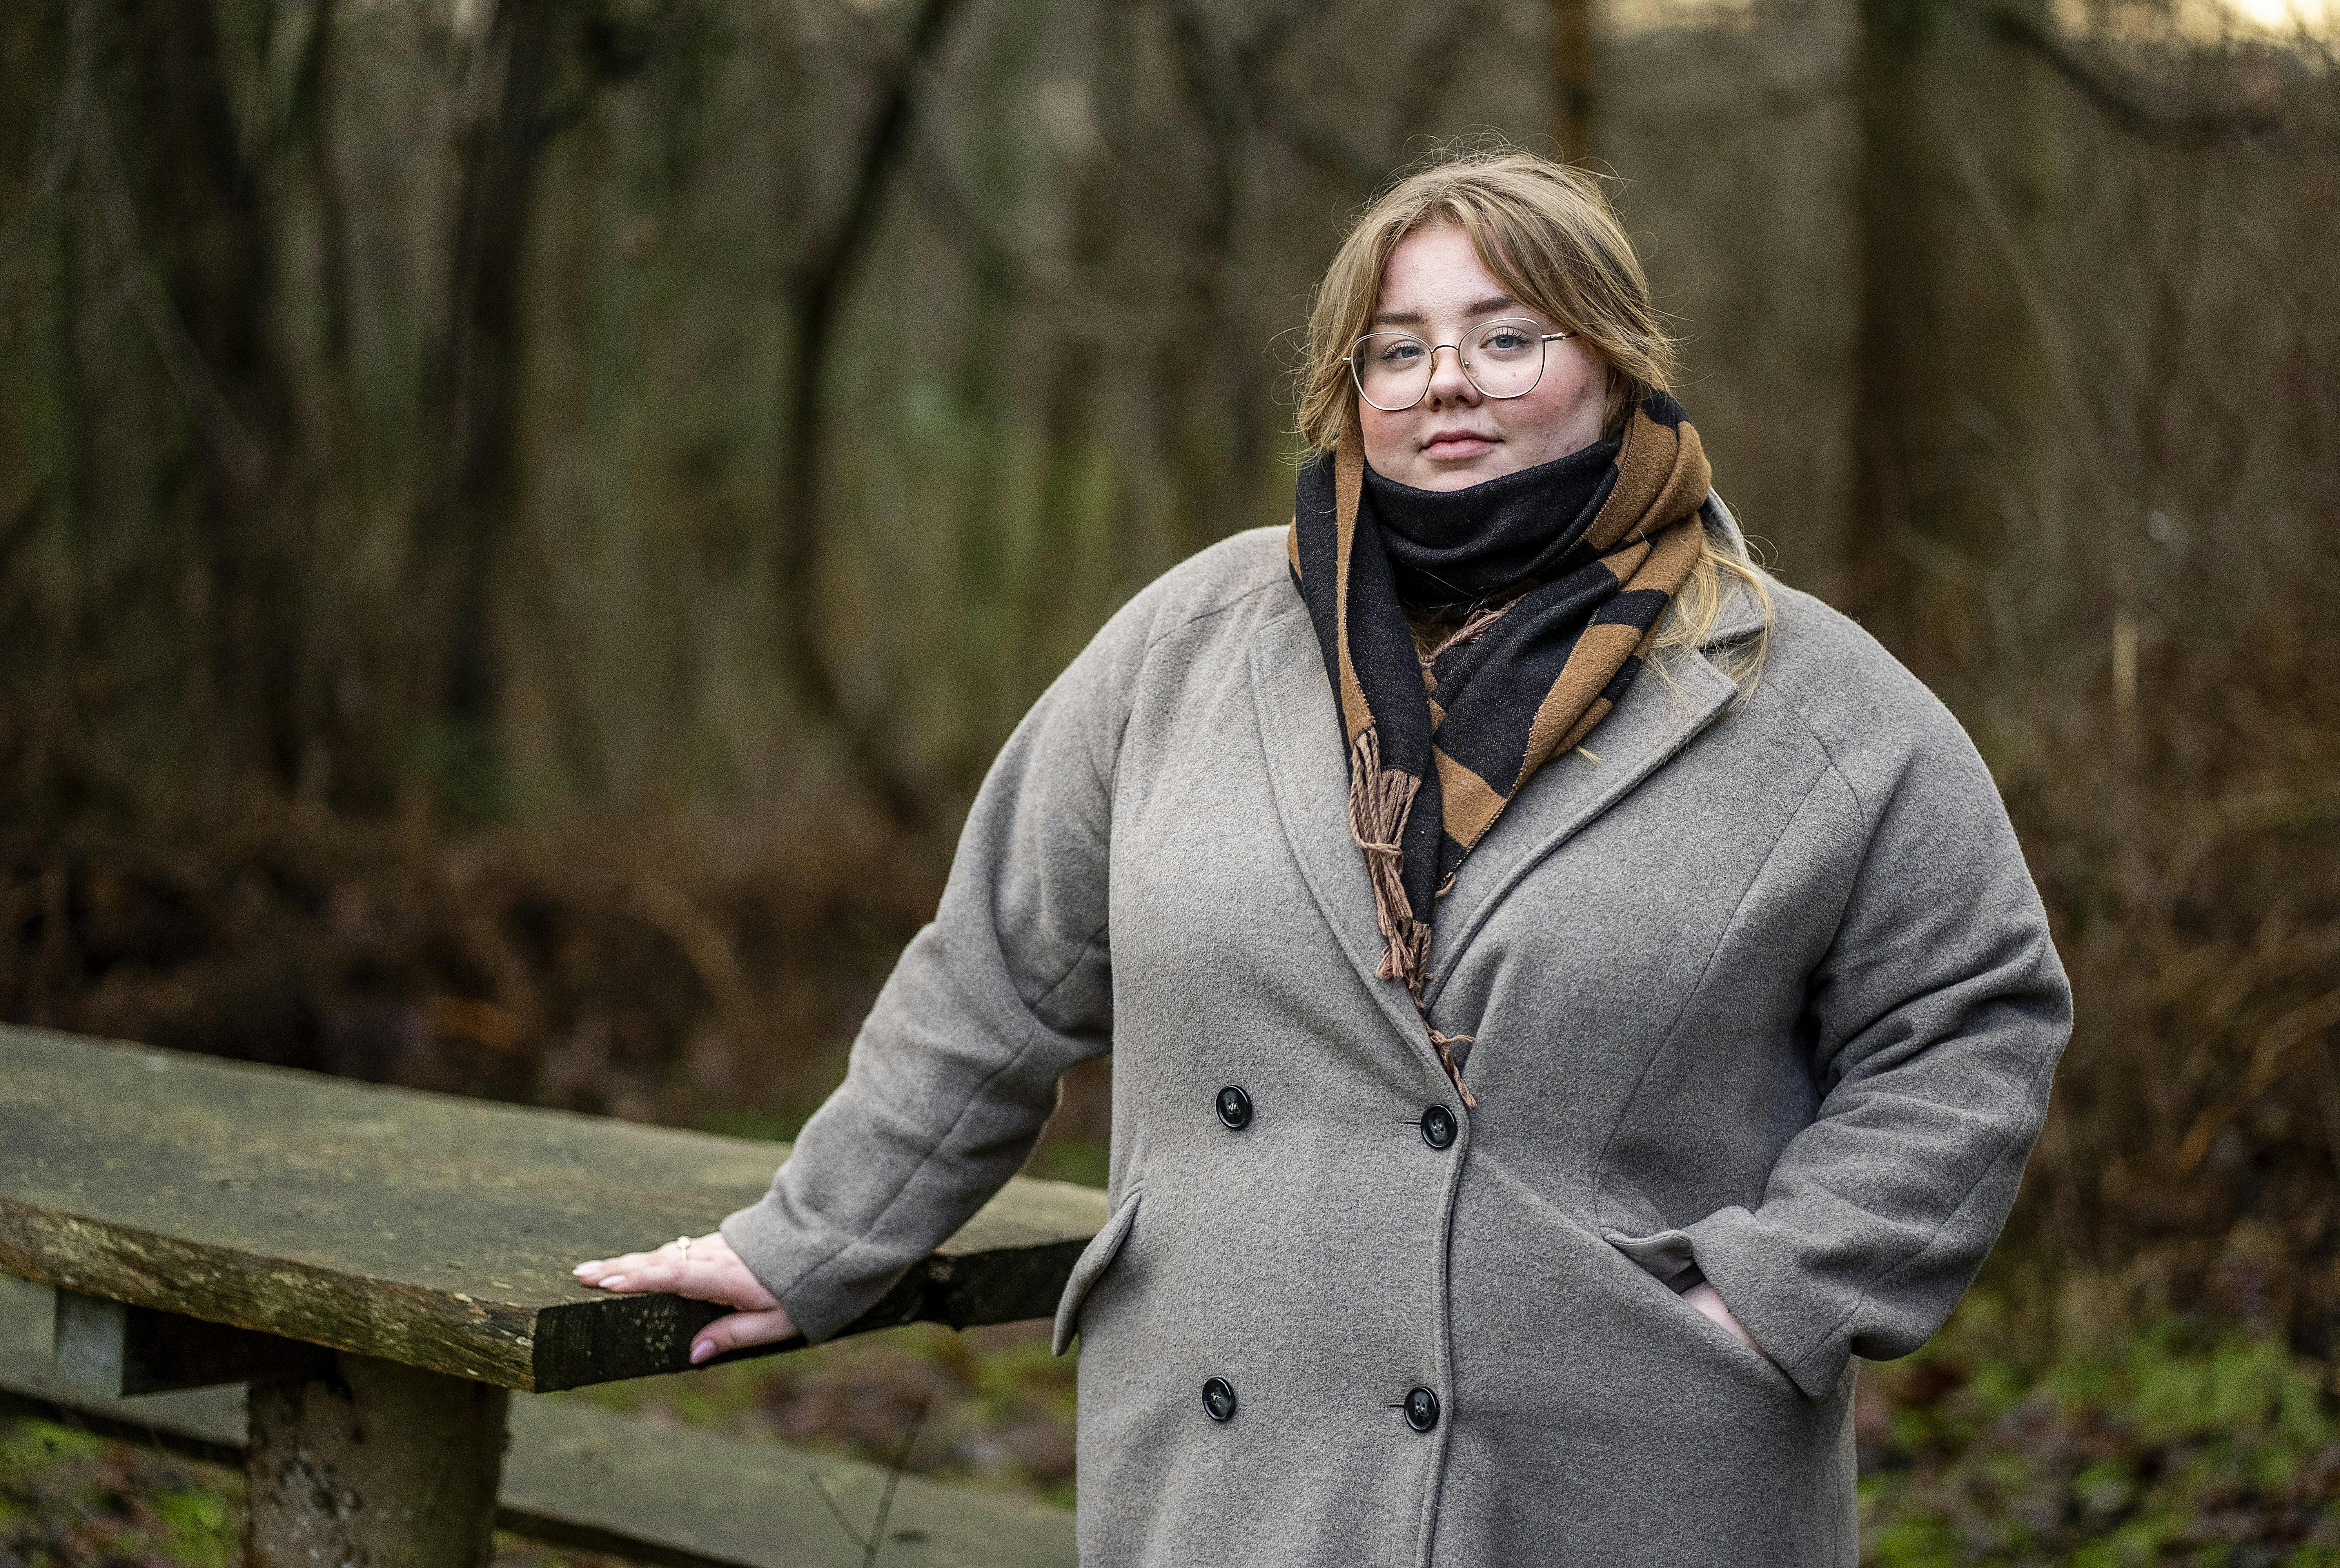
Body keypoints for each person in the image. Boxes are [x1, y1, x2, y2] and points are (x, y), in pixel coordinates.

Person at [576, 147, 2071, 1566]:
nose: (1448, 389)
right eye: (1399, 349)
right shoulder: (1189, 647)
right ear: (1349, 390)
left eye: (1507, 337)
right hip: (1232, 1464)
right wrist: (807, 1242)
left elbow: (1973, 1021)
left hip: (1619, 1467)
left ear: (1613, 362)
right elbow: (995, 979)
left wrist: (1780, 1296)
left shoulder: (1801, 696)